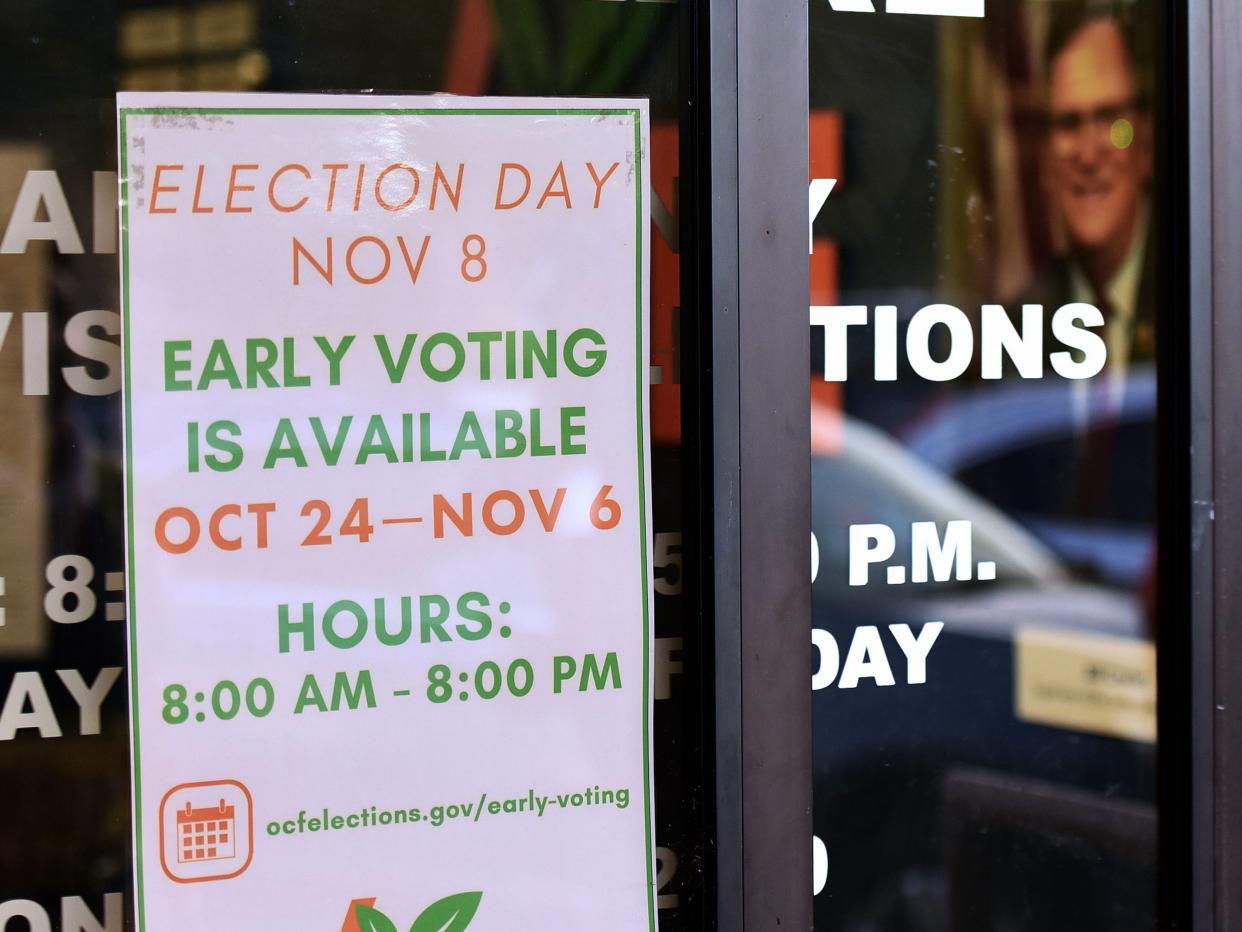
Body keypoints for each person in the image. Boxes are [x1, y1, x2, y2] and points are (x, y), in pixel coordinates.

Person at [1027, 5, 1154, 379]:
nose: (1088, 154)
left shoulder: (1205, 300)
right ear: (1045, 157)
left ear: (1145, 141)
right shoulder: (1012, 333)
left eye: (1109, 118)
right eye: (1068, 123)